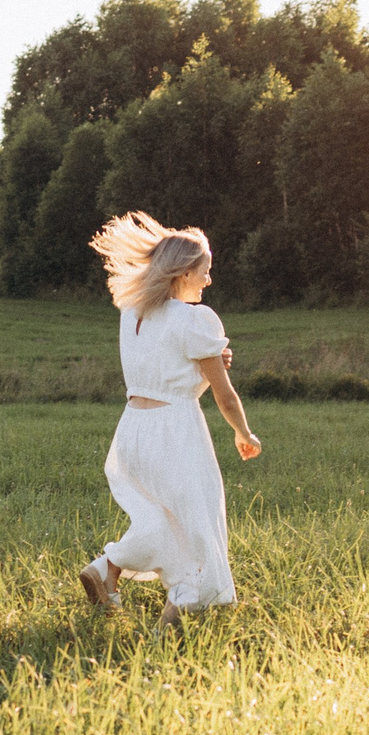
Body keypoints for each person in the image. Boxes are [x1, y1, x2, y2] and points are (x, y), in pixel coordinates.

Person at [79, 212, 261, 629]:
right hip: (175, 431)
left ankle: (107, 568)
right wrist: (244, 432)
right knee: (196, 521)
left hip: (133, 430)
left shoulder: (133, 313)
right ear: (183, 272)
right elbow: (225, 395)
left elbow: (164, 364)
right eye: (205, 271)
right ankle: (181, 603)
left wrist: (209, 361)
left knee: (162, 519)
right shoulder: (195, 319)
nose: (209, 281)